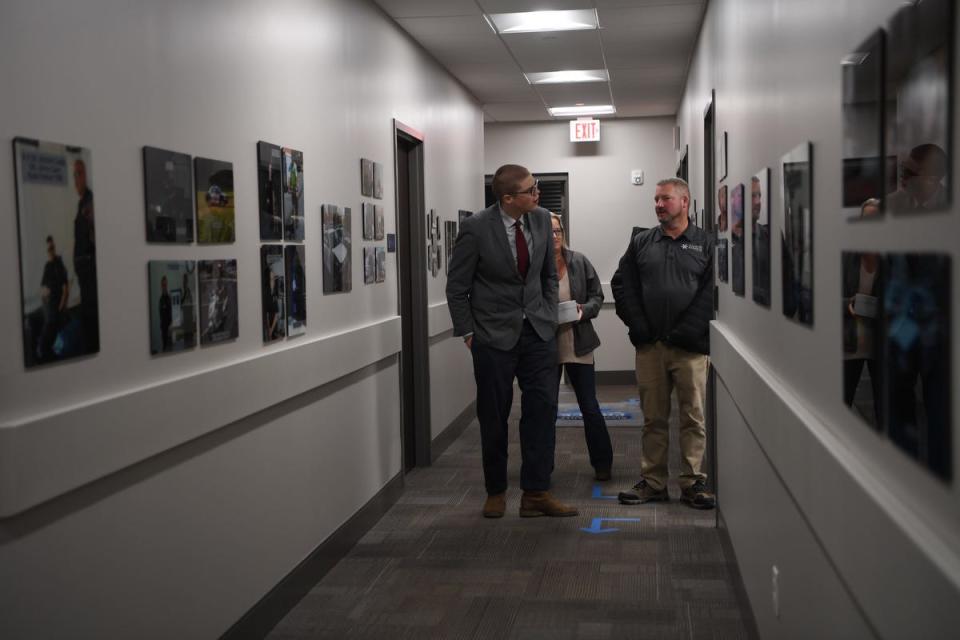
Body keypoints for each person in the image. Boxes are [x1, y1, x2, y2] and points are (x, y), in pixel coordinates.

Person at [446, 164, 576, 519]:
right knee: (494, 416)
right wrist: (469, 333)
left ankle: (535, 492)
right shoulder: (475, 228)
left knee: (542, 412)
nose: (537, 193)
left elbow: (549, 275)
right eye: (531, 189)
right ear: (507, 198)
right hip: (492, 337)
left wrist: (548, 317)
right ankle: (496, 491)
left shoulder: (540, 219)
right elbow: (457, 288)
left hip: (538, 334)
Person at [612, 177, 716, 510]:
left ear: (685, 202)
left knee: (693, 418)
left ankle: (693, 482)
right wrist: (639, 326)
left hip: (691, 349)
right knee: (653, 419)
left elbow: (711, 292)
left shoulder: (705, 243)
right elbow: (622, 284)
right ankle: (654, 482)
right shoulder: (642, 241)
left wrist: (688, 330)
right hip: (651, 348)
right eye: (656, 199)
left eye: (665, 199)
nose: (658, 205)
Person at [550, 213, 613, 481]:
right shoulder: (533, 267)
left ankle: (603, 465)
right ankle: (541, 468)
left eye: (558, 230)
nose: (555, 236)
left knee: (589, 406)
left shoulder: (578, 261)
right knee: (544, 409)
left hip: (579, 342)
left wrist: (582, 310)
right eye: (549, 231)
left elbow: (597, 296)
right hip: (545, 347)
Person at [842, 199, 883, 427]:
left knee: (884, 411)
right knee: (842, 405)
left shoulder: (890, 258)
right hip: (850, 343)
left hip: (879, 344)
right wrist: (847, 303)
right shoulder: (848, 256)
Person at [72, 158, 98, 352]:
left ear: (87, 175)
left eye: (79, 173)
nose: (76, 179)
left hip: (90, 274)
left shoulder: (90, 202)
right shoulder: (81, 203)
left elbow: (95, 235)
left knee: (89, 320)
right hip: (85, 275)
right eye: (74, 175)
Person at [886, 143, 948, 212]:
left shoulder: (951, 204)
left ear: (931, 180)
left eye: (909, 172)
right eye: (903, 168)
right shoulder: (893, 202)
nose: (902, 176)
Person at [39, 235, 69, 362]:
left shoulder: (59, 263)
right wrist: (45, 295)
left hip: (56, 310)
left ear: (54, 247)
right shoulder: (47, 266)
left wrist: (60, 308)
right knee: (45, 343)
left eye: (52, 248)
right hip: (49, 308)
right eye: (48, 249)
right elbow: (42, 288)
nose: (50, 251)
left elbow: (65, 291)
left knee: (46, 343)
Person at [158, 275, 172, 351]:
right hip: (163, 329)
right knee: (164, 348)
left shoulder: (169, 298)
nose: (164, 287)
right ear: (161, 286)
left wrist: (171, 325)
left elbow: (172, 313)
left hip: (169, 329)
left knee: (170, 349)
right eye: (163, 285)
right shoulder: (161, 300)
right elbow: (161, 315)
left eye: (165, 285)